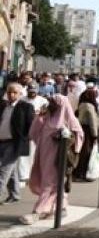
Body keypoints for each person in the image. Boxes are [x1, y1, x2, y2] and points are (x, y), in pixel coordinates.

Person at [19, 95, 83, 224]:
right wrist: (39, 117)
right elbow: (33, 133)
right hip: (43, 156)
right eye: (50, 102)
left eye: (54, 103)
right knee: (50, 183)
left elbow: (79, 136)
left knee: (49, 183)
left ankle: (38, 211)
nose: (51, 105)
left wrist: (67, 138)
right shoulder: (47, 118)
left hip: (57, 159)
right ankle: (61, 206)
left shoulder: (69, 120)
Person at [0, 83, 36, 204]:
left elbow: (31, 126)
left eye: (15, 92)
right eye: (9, 92)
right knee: (11, 171)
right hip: (2, 141)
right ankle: (15, 195)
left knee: (3, 171)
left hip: (14, 144)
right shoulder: (3, 106)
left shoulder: (26, 107)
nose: (11, 95)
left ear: (20, 94)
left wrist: (26, 139)